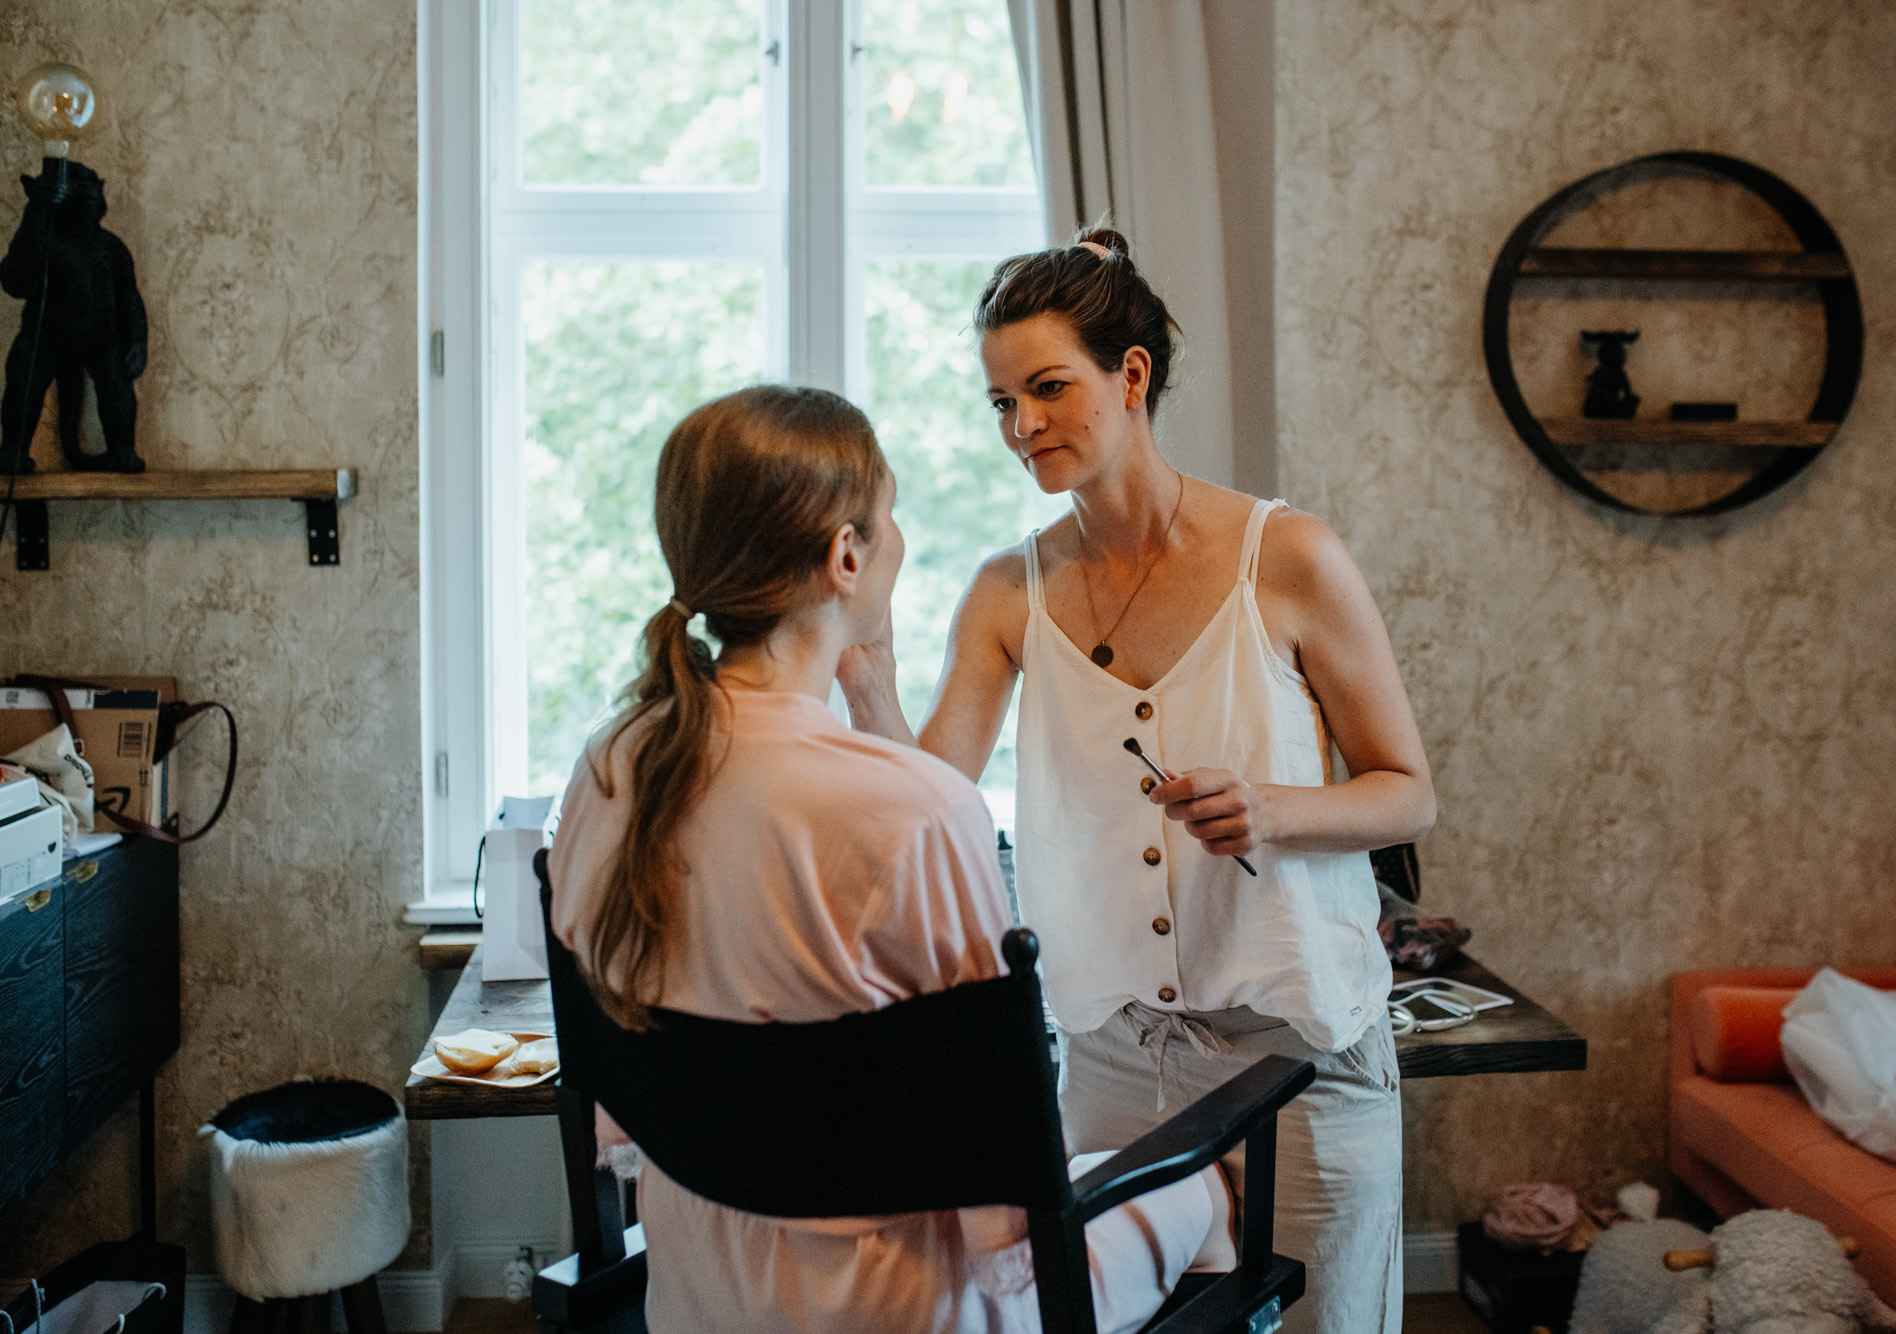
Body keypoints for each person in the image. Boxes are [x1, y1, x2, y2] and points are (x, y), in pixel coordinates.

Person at [837, 231, 1436, 1334]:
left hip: (1300, 1053)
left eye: (1048, 388)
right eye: (1000, 403)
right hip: (1113, 1065)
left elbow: (1406, 792)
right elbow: (933, 799)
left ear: (1131, 375)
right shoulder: (1003, 591)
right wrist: (863, 678)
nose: (1021, 428)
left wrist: (1273, 808)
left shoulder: (1290, 558)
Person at [546, 384, 1234, 1334]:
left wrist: (870, 691)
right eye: (893, 515)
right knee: (1206, 1187)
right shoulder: (914, 809)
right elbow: (1001, 1167)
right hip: (903, 1310)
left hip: (699, 1289)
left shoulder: (609, 767)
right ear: (846, 556)